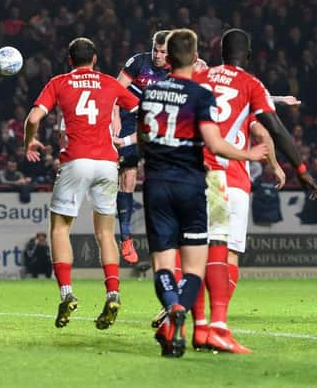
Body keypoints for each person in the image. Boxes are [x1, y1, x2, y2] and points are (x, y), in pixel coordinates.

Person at [138, 29, 267, 358]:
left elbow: (142, 138)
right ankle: (209, 328)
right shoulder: (199, 93)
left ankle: (172, 314)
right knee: (206, 258)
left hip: (156, 184)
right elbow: (214, 142)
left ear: (167, 56)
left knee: (165, 264)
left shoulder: (151, 91)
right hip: (198, 182)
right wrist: (248, 155)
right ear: (194, 56)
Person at [188, 29, 317, 353]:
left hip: (196, 174)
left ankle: (200, 324)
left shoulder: (200, 78)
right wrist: (300, 171)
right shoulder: (250, 84)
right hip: (231, 177)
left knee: (195, 252)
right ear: (247, 56)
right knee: (227, 254)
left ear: (219, 53)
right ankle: (218, 325)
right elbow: (273, 129)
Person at [24, 37, 139, 330]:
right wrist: (127, 139)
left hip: (76, 160)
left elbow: (33, 117)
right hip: (107, 162)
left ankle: (66, 293)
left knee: (60, 228)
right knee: (105, 233)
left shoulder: (59, 82)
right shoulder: (110, 84)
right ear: (95, 59)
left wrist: (30, 141)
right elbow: (142, 111)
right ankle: (113, 293)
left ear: (69, 59)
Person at [113, 30, 170, 265]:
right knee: (128, 176)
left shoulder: (178, 72)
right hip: (128, 121)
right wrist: (115, 118)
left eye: (163, 52)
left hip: (157, 123)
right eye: (156, 50)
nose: (157, 55)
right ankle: (126, 236)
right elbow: (115, 93)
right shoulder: (139, 62)